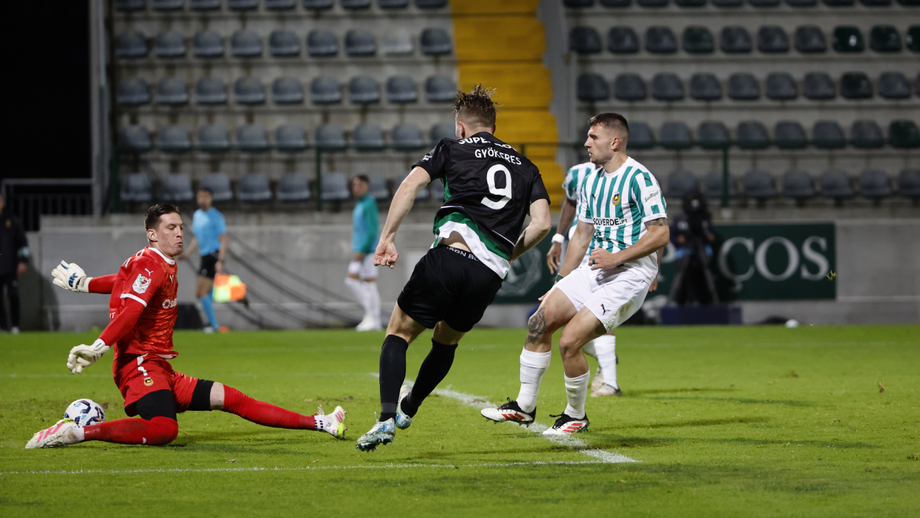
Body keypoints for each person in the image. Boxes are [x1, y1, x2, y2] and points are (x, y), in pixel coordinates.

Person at [26, 203, 346, 449]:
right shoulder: (150, 263)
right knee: (165, 429)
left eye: (181, 227)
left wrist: (84, 283)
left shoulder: (156, 263)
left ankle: (321, 422)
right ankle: (76, 432)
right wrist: (99, 346)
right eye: (170, 228)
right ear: (152, 233)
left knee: (231, 398)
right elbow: (130, 312)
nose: (179, 233)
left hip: (160, 366)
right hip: (139, 364)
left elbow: (125, 282)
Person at [356, 85, 552, 451]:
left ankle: (385, 420)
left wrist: (388, 237)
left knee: (398, 334)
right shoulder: (526, 166)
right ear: (493, 126)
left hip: (449, 256)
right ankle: (409, 407)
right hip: (487, 275)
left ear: (462, 127)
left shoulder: (451, 147)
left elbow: (411, 183)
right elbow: (542, 223)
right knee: (446, 341)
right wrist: (506, 255)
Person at [481, 113, 669, 435]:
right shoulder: (591, 179)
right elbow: (581, 236)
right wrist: (561, 282)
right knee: (539, 322)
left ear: (615, 141)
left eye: (593, 137)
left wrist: (616, 258)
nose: (585, 143)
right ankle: (524, 408)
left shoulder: (640, 178)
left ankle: (575, 416)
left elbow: (661, 233)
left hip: (630, 273)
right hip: (595, 268)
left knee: (570, 342)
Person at [545, 163, 663, 397]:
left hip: (608, 254)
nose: (589, 143)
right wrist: (557, 237)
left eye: (594, 138)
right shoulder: (578, 174)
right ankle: (604, 359)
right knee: (558, 323)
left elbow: (655, 227)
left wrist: (654, 269)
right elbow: (570, 203)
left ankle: (609, 380)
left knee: (596, 315)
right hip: (579, 251)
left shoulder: (635, 177)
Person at [177, 187, 227, 333]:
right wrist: (186, 254)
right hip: (204, 255)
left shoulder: (216, 216)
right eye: (200, 197)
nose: (202, 199)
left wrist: (221, 260)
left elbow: (223, 239)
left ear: (210, 198)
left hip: (212, 255)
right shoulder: (197, 215)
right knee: (206, 292)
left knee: (200, 292)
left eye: (205, 196)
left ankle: (214, 325)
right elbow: (197, 238)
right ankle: (212, 324)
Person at [345, 175, 382, 332]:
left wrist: (363, 250)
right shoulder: (360, 204)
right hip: (362, 249)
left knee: (364, 282)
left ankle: (374, 318)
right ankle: (371, 316)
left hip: (368, 251)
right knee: (364, 283)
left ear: (366, 186)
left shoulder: (369, 204)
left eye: (359, 185)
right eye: (354, 185)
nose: (356, 188)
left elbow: (372, 230)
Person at [0, 193, 30, 334]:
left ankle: (15, 326)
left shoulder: (11, 221)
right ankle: (3, 327)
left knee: (13, 295)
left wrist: (23, 261)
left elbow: (23, 243)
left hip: (10, 266)